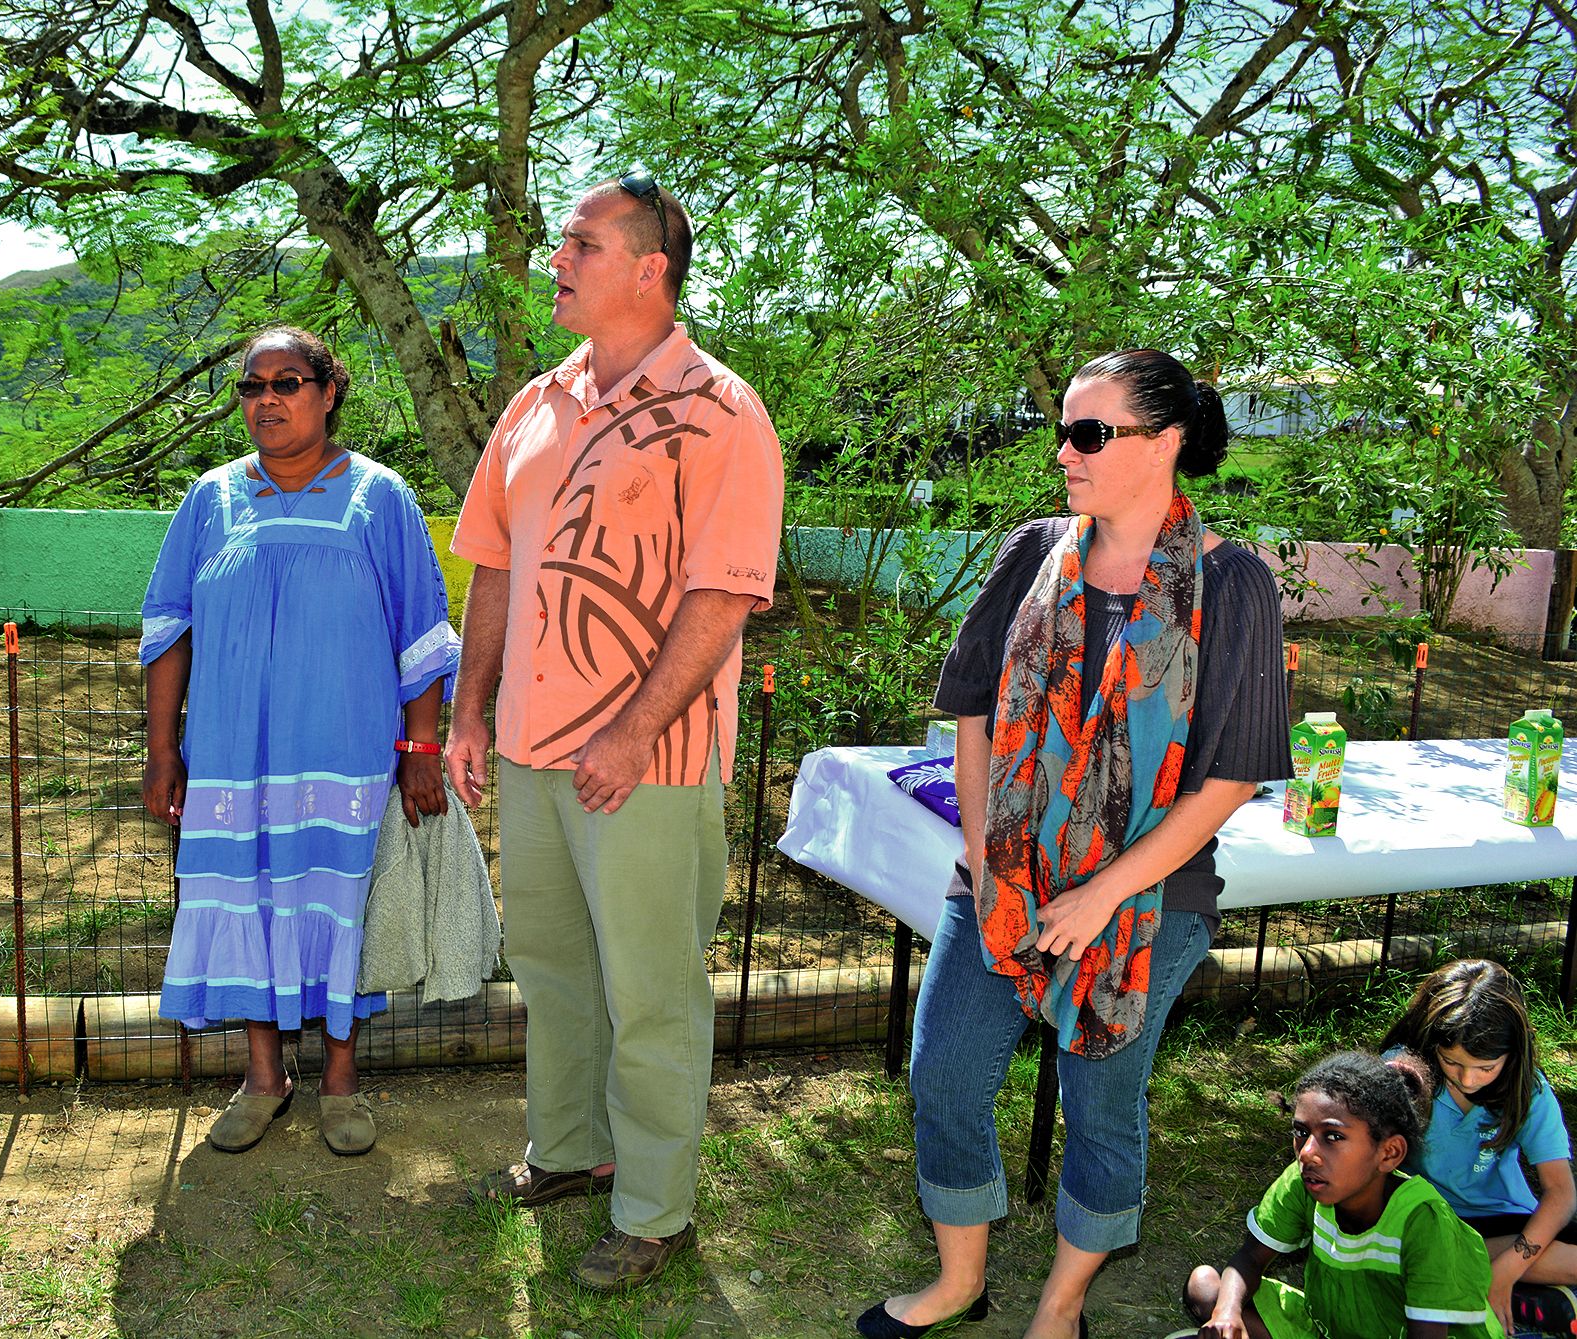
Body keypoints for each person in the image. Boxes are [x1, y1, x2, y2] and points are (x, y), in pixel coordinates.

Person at [861, 350, 1292, 1339]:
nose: (1063, 450)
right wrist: (979, 848)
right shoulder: (1032, 552)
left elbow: (1229, 776)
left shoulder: (1231, 585)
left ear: (1165, 442)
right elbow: (969, 709)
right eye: (1061, 427)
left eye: (1088, 433)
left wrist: (1101, 893)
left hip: (1144, 901)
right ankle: (959, 1280)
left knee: (1102, 1103)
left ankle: (1060, 1304)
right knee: (944, 1077)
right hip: (1000, 882)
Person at [444, 167, 784, 1292]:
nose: (557, 259)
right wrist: (469, 712)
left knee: (651, 991)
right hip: (532, 751)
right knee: (552, 969)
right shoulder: (535, 403)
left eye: (579, 243)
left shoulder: (722, 411)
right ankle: (569, 1152)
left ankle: (653, 1208)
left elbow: (723, 593)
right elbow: (492, 560)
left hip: (648, 761)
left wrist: (633, 732)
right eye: (561, 242)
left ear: (649, 269)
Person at [139, 325, 458, 1158]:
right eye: (252, 386)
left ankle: (342, 1081)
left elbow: (419, 632)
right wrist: (163, 750)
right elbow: (168, 629)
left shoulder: (379, 496)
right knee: (246, 894)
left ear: (327, 392)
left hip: (345, 750)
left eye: (287, 381)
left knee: (335, 900)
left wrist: (421, 750)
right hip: (231, 754)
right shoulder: (210, 499)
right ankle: (263, 1076)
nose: (267, 399)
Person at [1183, 1051, 1503, 1339]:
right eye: (1301, 1132)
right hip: (1332, 1328)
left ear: (1389, 1153)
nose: (1307, 1152)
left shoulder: (1423, 1221)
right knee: (1207, 1288)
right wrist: (1226, 1313)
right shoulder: (1305, 1181)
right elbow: (1249, 1259)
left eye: (1333, 1136)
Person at [1381, 959, 1577, 1334]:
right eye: (1451, 1061)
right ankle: (1518, 1296)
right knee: (1417, 1254)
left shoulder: (1529, 1089)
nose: (1468, 1079)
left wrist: (1506, 1270)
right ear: (1429, 1039)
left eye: (1486, 1068)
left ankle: (1487, 1286)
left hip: (1505, 1227)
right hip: (1427, 1222)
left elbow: (1561, 1194)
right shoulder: (1401, 1072)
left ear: (1514, 1055)